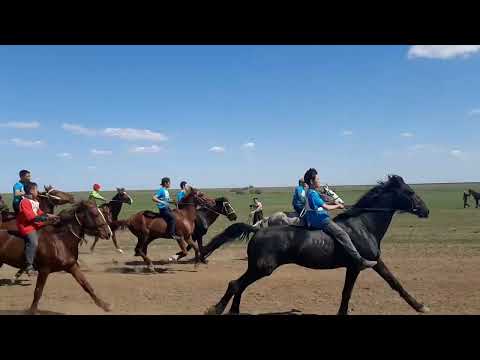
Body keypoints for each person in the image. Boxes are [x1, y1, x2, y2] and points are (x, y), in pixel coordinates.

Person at [303, 168, 377, 270]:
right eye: (318, 179)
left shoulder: (310, 192)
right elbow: (326, 207)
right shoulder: (313, 193)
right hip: (320, 220)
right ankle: (359, 260)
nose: (319, 181)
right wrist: (337, 206)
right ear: (311, 181)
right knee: (342, 234)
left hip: (314, 218)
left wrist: (335, 203)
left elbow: (322, 204)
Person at [15, 182, 58, 277]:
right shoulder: (25, 202)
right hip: (26, 226)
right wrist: (46, 219)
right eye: (36, 189)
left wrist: (51, 216)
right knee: (33, 242)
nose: (37, 191)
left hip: (35, 224)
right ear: (31, 191)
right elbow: (31, 217)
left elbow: (40, 212)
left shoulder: (35, 201)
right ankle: (28, 266)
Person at [152, 177, 182, 241]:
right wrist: (161, 202)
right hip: (163, 209)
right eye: (169, 183)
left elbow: (167, 200)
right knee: (172, 218)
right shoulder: (162, 190)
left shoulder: (166, 191)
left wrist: (173, 202)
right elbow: (153, 198)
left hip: (167, 208)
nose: (170, 184)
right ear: (165, 183)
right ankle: (172, 234)